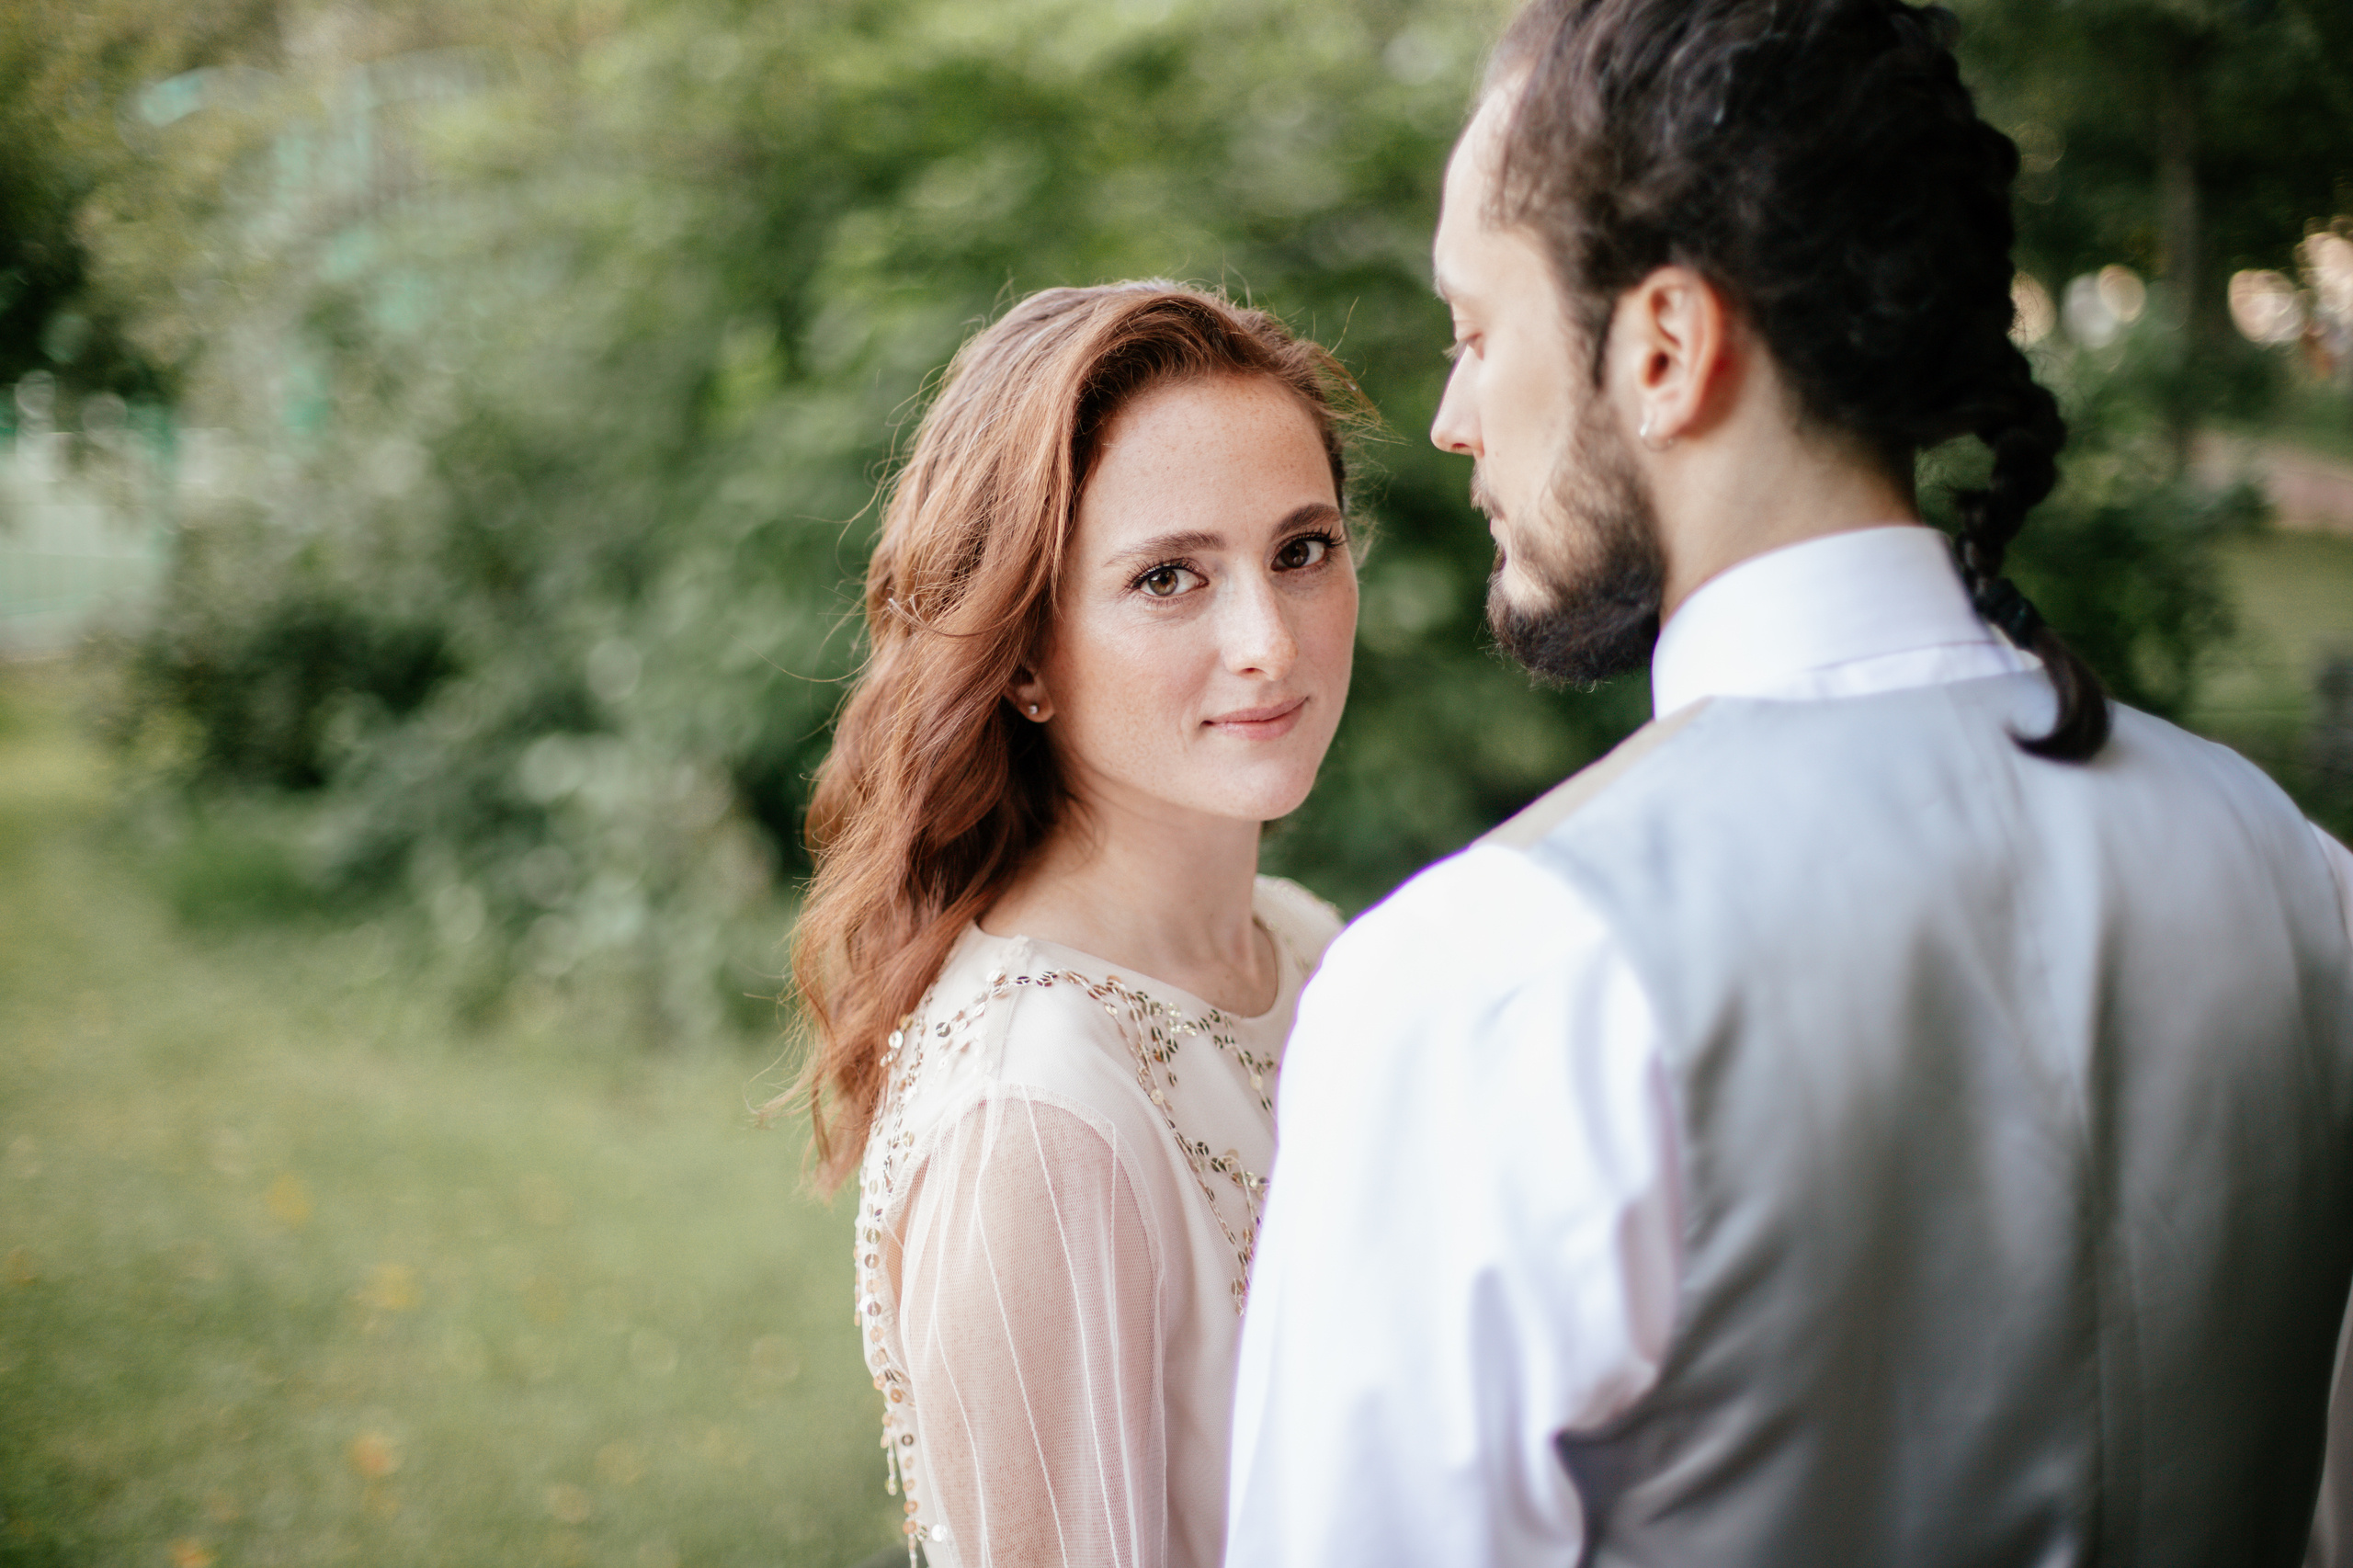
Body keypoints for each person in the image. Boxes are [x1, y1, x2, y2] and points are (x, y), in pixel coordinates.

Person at [1224, 2, 2353, 1564]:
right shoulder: (2300, 876)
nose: (1450, 417)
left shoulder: (1483, 988)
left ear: (1668, 349)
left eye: (1478, 331)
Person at [783, 281, 1362, 1568]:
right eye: (1170, 577)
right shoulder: (1033, 1114)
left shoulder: (1316, 949)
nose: (1268, 639)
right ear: (1029, 653)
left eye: (1302, 549)